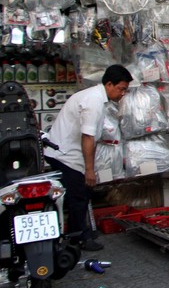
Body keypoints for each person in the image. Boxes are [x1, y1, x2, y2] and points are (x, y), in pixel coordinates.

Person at [44, 64, 133, 252]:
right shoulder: (93, 101)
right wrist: (89, 170)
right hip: (65, 155)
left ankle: (81, 231)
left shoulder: (97, 98)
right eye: (121, 89)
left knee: (81, 195)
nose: (122, 93)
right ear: (109, 84)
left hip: (66, 152)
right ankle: (79, 238)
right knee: (79, 195)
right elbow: (88, 138)